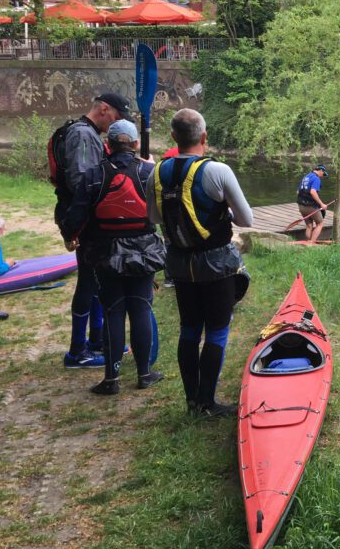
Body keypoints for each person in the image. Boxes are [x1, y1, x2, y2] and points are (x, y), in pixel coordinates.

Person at [148, 108, 253, 418]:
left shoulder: (157, 172)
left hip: (179, 264)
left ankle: (191, 400)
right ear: (204, 137)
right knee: (217, 331)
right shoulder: (218, 171)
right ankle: (206, 402)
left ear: (173, 138)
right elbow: (247, 219)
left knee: (189, 329)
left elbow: (152, 219)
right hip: (216, 265)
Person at [61, 120, 165, 396]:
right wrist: (152, 168)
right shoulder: (150, 172)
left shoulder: (94, 174)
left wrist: (69, 236)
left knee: (113, 312)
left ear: (107, 145)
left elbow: (76, 215)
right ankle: (144, 374)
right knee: (141, 308)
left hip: (105, 254)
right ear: (135, 144)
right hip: (144, 253)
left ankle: (111, 379)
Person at [54, 92, 132, 369]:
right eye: (116, 118)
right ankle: (77, 351)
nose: (115, 124)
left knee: (97, 280)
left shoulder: (87, 134)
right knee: (88, 283)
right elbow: (81, 182)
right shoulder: (82, 135)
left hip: (89, 218)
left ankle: (97, 339)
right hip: (85, 221)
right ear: (103, 108)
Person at [296, 165, 328, 243]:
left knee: (309, 225)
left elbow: (297, 192)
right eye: (323, 174)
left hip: (301, 206)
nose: (322, 176)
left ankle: (307, 242)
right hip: (310, 206)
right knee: (320, 223)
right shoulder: (316, 178)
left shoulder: (306, 177)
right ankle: (311, 243)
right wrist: (321, 204)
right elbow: (313, 192)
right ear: (320, 170)